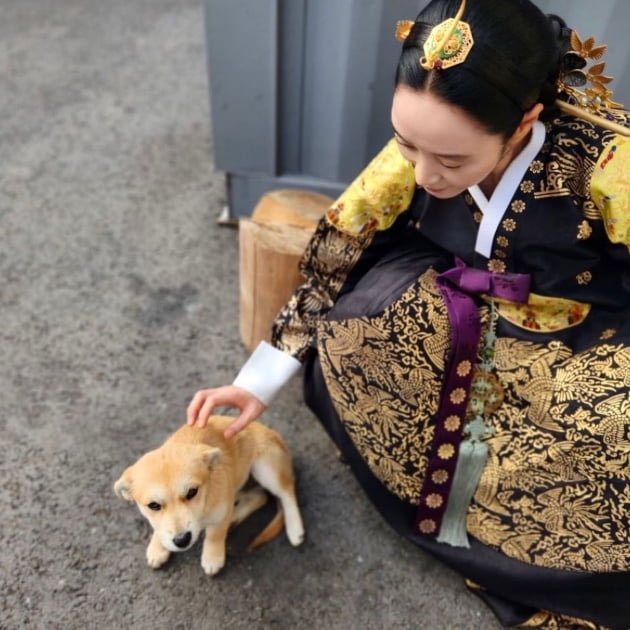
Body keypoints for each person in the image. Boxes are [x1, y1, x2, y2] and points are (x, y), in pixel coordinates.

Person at [188, 0, 630, 627]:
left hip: (580, 333)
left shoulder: (610, 163)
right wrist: (258, 378)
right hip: (455, 303)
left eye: (451, 162)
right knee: (353, 337)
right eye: (406, 144)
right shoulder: (425, 146)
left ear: (525, 119)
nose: (423, 173)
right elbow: (339, 251)